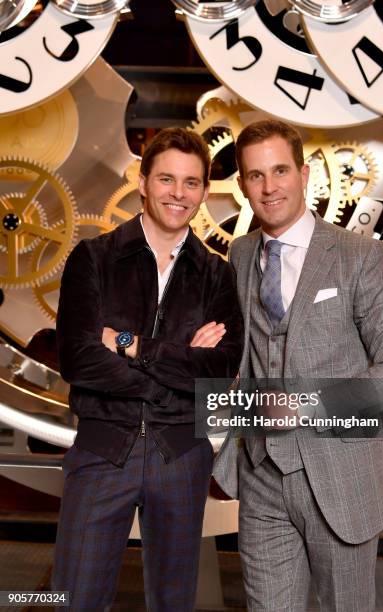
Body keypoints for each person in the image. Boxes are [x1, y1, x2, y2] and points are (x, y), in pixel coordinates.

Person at [213, 119, 383, 611]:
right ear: (242, 185)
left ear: (305, 174)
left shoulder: (360, 256)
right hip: (261, 475)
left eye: (280, 170)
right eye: (256, 175)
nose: (269, 186)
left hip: (341, 478)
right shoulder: (240, 254)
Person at [52, 127, 243, 611]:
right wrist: (180, 370)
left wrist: (129, 345)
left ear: (203, 190)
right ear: (142, 182)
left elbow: (218, 374)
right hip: (101, 450)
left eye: (191, 183)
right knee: (74, 599)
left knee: (173, 603)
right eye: (166, 179)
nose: (178, 194)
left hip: (180, 455)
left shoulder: (217, 273)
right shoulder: (93, 258)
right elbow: (78, 358)